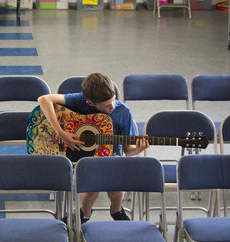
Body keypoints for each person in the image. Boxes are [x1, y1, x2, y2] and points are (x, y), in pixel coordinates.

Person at [37, 73, 149, 223]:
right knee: (91, 188)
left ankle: (116, 210)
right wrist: (61, 132)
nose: (112, 106)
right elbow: (43, 99)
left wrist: (138, 150)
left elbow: (128, 150)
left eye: (114, 100)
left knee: (117, 180)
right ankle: (85, 212)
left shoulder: (123, 112)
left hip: (111, 159)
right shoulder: (80, 100)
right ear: (90, 103)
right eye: (107, 105)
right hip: (82, 159)